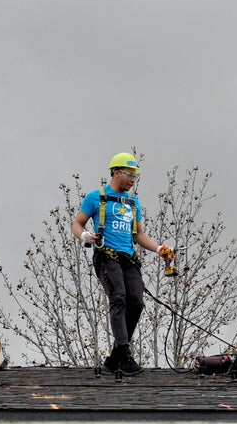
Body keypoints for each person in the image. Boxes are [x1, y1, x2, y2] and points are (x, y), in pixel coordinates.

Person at [70, 152, 175, 376]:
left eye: (135, 176)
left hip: (128, 259)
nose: (132, 180)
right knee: (118, 297)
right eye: (129, 175)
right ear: (116, 173)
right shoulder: (95, 197)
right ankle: (125, 355)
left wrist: (159, 249)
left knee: (136, 301)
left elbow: (139, 235)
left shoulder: (132, 203)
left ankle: (115, 358)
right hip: (106, 257)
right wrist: (84, 236)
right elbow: (77, 224)